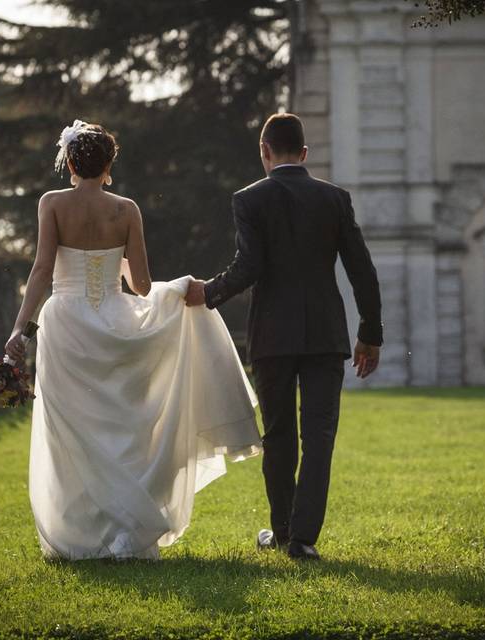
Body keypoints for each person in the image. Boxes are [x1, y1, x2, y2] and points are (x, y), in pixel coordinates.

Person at [5, 119, 262, 561]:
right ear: (109, 165)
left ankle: (77, 536)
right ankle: (126, 531)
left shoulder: (52, 203)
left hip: (65, 325)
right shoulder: (126, 210)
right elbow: (142, 287)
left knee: (71, 432)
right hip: (114, 320)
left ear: (69, 161)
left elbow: (42, 270)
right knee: (121, 428)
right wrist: (140, 278)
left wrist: (19, 330)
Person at [186, 112, 383, 561]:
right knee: (319, 435)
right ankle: (303, 539)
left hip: (272, 335)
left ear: (265, 152)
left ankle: (281, 530)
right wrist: (370, 333)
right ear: (305, 153)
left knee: (279, 436)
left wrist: (208, 292)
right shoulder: (335, 199)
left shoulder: (249, 200)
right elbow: (361, 271)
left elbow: (249, 267)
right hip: (326, 335)